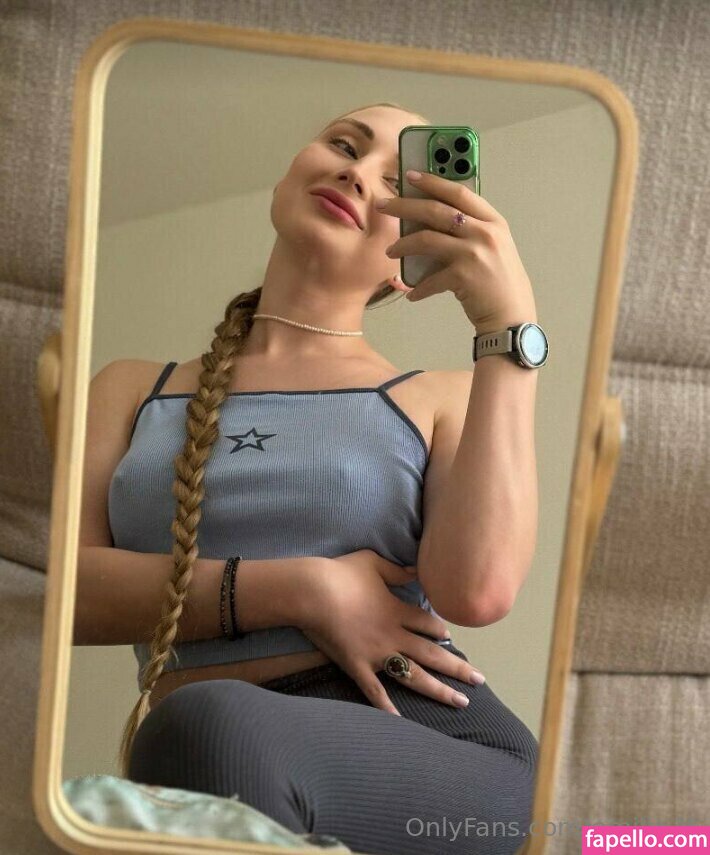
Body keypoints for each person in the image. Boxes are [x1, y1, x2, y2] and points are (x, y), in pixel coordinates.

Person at [106, 100, 540, 854]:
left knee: (205, 725)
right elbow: (65, 595)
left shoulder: (442, 397)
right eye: (344, 144)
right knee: (197, 729)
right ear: (285, 177)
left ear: (413, 264)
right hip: (200, 741)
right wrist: (306, 589)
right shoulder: (129, 390)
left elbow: (477, 593)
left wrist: (507, 328)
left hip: (440, 746)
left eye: (396, 182)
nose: (358, 173)